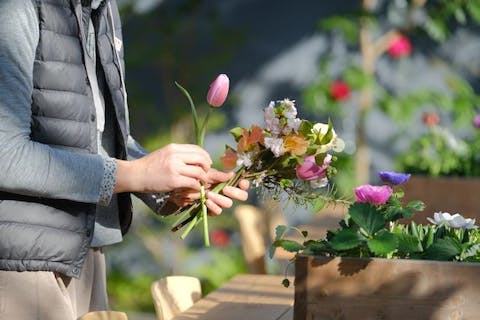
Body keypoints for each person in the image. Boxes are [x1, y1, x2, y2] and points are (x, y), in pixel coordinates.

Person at [0, 1, 249, 319]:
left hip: (85, 252)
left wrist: (168, 185)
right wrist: (136, 175)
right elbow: (5, 155)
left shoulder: (102, 7)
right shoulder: (15, 7)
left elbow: (104, 138)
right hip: (23, 263)